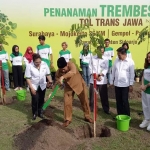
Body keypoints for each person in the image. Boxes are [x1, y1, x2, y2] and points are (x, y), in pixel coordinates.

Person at [55, 57, 93, 127]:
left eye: (64, 69)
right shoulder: (59, 71)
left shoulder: (71, 64)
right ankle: (67, 119)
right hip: (68, 87)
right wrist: (59, 82)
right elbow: (57, 78)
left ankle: (87, 116)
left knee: (84, 101)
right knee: (67, 103)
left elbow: (73, 72)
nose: (62, 71)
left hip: (79, 85)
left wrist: (63, 77)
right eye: (61, 69)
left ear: (66, 65)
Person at [25, 54, 53, 120]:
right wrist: (31, 88)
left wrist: (50, 82)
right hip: (33, 85)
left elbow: (48, 74)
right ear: (33, 61)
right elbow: (28, 78)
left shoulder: (44, 64)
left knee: (41, 99)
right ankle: (34, 113)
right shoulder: (29, 66)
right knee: (35, 99)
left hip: (42, 85)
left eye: (39, 62)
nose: (38, 63)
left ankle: (40, 112)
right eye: (36, 62)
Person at [110, 47, 135, 116]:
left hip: (125, 85)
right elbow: (113, 71)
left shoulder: (130, 62)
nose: (118, 56)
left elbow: (132, 73)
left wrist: (131, 84)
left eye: (119, 55)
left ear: (124, 54)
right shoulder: (116, 61)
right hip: (117, 84)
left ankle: (127, 116)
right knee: (118, 101)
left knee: (125, 101)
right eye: (118, 55)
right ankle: (120, 115)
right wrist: (111, 82)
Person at [89, 46, 109, 114]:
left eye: (103, 51)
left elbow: (106, 68)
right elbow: (90, 67)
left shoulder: (106, 59)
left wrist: (101, 74)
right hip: (93, 79)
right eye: (100, 51)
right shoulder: (92, 58)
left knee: (104, 96)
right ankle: (92, 108)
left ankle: (106, 109)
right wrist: (95, 75)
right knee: (92, 95)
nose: (101, 52)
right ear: (97, 51)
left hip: (102, 80)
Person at [139, 52, 150, 131]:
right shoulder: (146, 66)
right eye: (148, 57)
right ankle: (146, 119)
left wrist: (146, 86)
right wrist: (142, 85)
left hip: (149, 89)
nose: (148, 58)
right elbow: (143, 76)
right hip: (144, 89)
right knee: (145, 105)